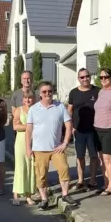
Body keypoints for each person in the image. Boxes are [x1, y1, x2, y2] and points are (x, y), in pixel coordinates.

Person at [26, 81, 76, 210]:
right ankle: (44, 199)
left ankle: (65, 194)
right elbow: (29, 130)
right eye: (44, 92)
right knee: (41, 175)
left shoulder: (60, 107)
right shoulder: (33, 109)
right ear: (40, 94)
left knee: (64, 168)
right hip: (39, 149)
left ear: (53, 92)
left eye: (50, 91)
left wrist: (65, 143)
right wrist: (28, 147)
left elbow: (69, 125)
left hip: (56, 148)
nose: (47, 93)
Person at [67, 68, 100, 191]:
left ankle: (92, 179)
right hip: (78, 130)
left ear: (90, 76)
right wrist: (70, 128)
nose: (85, 79)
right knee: (79, 156)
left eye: (87, 76)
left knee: (93, 156)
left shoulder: (97, 91)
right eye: (82, 77)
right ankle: (81, 180)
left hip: (93, 130)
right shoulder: (73, 93)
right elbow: (69, 111)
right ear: (78, 79)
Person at [93, 68, 111, 196]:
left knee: (108, 158)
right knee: (101, 158)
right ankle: (105, 184)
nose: (103, 80)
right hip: (97, 128)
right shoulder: (101, 92)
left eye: (106, 77)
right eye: (101, 78)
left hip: (109, 128)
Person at [12, 89, 38, 205]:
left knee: (31, 167)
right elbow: (15, 126)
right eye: (26, 98)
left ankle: (28, 195)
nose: (28, 100)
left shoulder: (37, 110)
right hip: (21, 142)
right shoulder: (19, 110)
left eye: (30, 98)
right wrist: (29, 127)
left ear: (34, 99)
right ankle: (16, 195)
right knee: (20, 167)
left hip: (34, 142)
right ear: (23, 99)